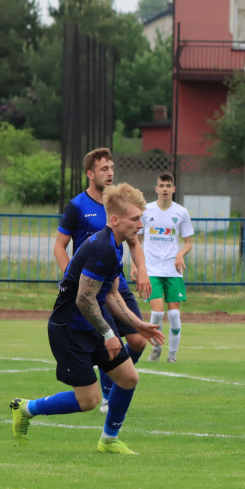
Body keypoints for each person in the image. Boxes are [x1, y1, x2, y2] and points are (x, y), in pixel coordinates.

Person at [10, 184, 165, 454]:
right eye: (135, 219)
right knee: (89, 400)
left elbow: (112, 294)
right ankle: (26, 409)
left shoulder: (115, 246)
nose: (140, 224)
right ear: (115, 219)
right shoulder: (102, 248)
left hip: (91, 322)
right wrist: (108, 335)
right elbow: (84, 298)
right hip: (69, 329)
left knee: (128, 378)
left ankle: (109, 440)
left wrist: (139, 325)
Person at [54, 148, 151, 413]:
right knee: (109, 347)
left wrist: (142, 269)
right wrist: (72, 278)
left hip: (113, 284)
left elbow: (134, 243)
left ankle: (112, 390)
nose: (109, 173)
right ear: (90, 174)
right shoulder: (78, 207)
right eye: (103, 169)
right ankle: (108, 391)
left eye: (111, 168)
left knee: (139, 341)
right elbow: (60, 247)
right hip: (89, 290)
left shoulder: (121, 207)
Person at [139, 171, 194, 363]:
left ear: (173, 189)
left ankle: (172, 355)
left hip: (173, 271)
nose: (164, 189)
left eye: (168, 186)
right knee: (156, 313)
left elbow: (189, 242)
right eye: (161, 186)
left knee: (174, 315)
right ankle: (156, 349)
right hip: (152, 270)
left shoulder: (181, 212)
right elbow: (136, 240)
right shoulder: (146, 210)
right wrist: (137, 266)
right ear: (156, 189)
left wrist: (180, 254)